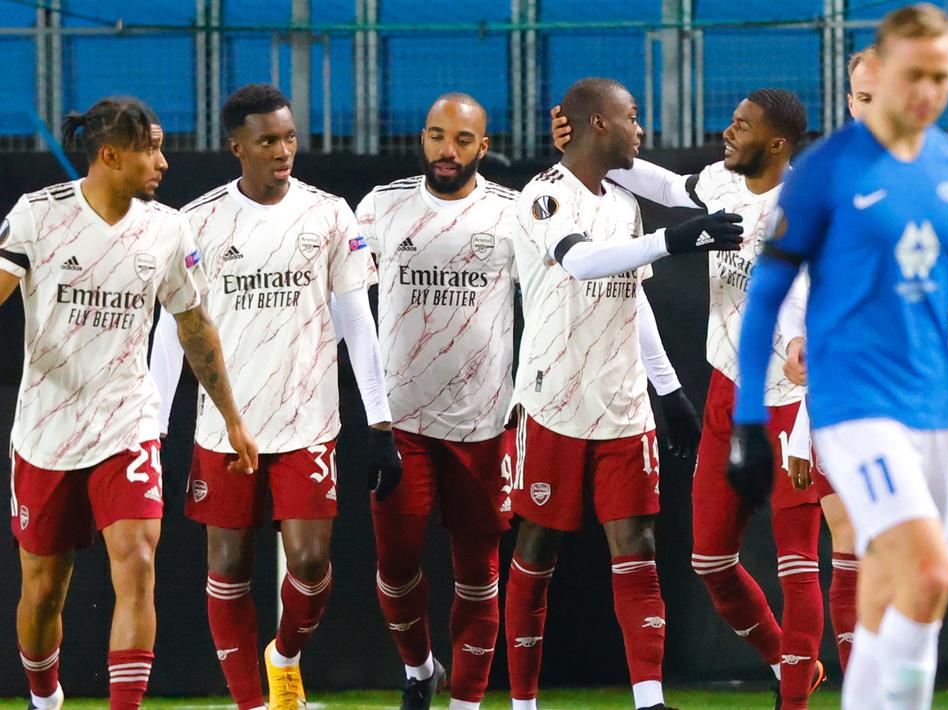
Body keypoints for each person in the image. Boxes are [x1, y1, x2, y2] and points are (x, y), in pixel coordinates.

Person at [727, 6, 948, 709]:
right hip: (853, 404)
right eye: (913, 74)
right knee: (922, 569)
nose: (926, 91)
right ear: (877, 74)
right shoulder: (824, 172)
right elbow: (768, 295)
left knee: (910, 588)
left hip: (932, 407)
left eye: (941, 77)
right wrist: (746, 421)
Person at [551, 87, 831, 709]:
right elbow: (666, 186)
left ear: (779, 143)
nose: (727, 133)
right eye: (729, 121)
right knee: (709, 560)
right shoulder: (721, 184)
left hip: (791, 397)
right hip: (727, 391)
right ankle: (790, 661)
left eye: (741, 126)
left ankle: (793, 700)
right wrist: (589, 144)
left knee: (798, 563)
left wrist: (796, 343)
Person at [2, 96, 258, 710]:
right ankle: (45, 697)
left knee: (138, 563)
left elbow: (196, 328)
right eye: (153, 149)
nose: (164, 163)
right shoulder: (36, 217)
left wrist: (232, 417)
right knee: (42, 590)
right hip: (47, 428)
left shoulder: (167, 229)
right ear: (111, 155)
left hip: (128, 422)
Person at [149, 84, 399, 710]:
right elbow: (174, 334)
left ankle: (283, 654)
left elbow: (357, 323)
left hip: (308, 422)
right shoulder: (196, 223)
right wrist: (151, 433)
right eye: (267, 141)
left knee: (311, 565)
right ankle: (252, 704)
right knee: (229, 568)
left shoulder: (329, 215)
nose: (283, 151)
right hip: (225, 430)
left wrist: (380, 419)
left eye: (289, 137)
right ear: (237, 147)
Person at [504, 77, 742, 710]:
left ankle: (650, 700)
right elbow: (581, 263)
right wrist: (677, 240)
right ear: (599, 125)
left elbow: (629, 294)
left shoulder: (623, 201)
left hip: (623, 405)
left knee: (636, 547)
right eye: (633, 117)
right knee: (536, 546)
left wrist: (668, 391)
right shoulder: (542, 198)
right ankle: (523, 702)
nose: (642, 130)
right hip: (554, 402)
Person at [353, 92, 521, 710]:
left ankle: (466, 704)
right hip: (401, 424)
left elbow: (553, 300)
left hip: (484, 426)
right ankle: (421, 667)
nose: (446, 151)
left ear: (483, 145)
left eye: (461, 140)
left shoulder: (512, 213)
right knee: (396, 566)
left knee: (479, 576)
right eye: (434, 136)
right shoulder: (381, 208)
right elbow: (342, 297)